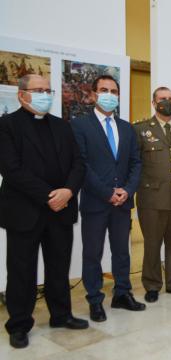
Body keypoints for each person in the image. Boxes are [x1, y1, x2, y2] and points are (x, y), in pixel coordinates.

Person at [0, 75, 88, 349]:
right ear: (21, 95)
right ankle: (19, 324)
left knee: (59, 267)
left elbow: (79, 163)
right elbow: (11, 169)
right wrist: (49, 195)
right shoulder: (7, 125)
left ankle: (61, 315)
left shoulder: (62, 126)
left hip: (61, 210)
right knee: (21, 270)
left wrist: (68, 191)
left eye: (47, 90)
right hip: (25, 211)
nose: (44, 94)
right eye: (38, 90)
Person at [71, 75, 145, 322]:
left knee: (122, 252)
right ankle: (94, 300)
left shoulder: (126, 127)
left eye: (114, 91)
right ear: (93, 94)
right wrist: (107, 192)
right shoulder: (80, 125)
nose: (110, 95)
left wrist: (127, 190)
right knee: (93, 253)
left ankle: (122, 293)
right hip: (95, 202)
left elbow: (136, 162)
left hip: (123, 203)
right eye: (104, 90)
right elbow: (81, 164)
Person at [134, 87, 171, 303]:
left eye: (170, 98)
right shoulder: (140, 130)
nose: (166, 102)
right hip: (152, 198)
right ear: (153, 103)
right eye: (162, 99)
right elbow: (136, 164)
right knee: (152, 244)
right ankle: (151, 285)